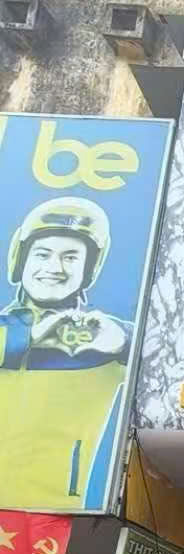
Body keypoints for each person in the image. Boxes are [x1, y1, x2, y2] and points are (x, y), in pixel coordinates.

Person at [0, 198, 125, 509]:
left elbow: (168, 360)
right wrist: (28, 334)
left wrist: (124, 340)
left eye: (70, 257)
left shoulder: (98, 339)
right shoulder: (7, 330)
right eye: (42, 254)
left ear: (89, 269)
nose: (54, 268)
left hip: (53, 514)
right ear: (21, 258)